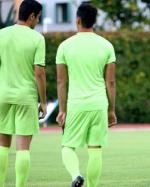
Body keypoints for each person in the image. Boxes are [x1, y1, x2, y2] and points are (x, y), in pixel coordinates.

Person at [56, 3, 117, 187]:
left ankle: (76, 176)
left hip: (76, 104)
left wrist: (62, 110)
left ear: (78, 20)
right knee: (95, 150)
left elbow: (61, 81)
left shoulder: (65, 46)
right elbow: (111, 82)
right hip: (99, 104)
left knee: (67, 146)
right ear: (95, 21)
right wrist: (111, 110)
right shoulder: (106, 45)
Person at [0, 0, 46, 186]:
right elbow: (39, 72)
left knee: (2, 146)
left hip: (2, 94)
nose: (38, 21)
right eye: (38, 17)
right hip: (25, 97)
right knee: (23, 149)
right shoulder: (37, 38)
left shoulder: (1, 34)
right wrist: (43, 102)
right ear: (32, 16)